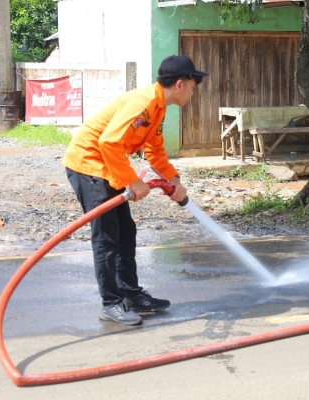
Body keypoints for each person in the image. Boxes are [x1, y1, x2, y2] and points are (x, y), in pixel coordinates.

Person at [62, 55, 208, 325]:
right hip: (88, 164)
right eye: (192, 85)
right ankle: (111, 304)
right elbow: (108, 142)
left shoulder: (157, 107)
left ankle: (130, 294)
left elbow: (153, 149)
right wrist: (132, 180)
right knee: (107, 236)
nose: (192, 91)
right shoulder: (143, 103)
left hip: (105, 164)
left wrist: (173, 178)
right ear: (179, 84)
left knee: (125, 230)